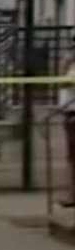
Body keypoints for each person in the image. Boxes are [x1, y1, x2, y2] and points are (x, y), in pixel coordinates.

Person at [58, 45, 75, 208]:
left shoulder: (71, 69)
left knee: (72, 158)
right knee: (71, 158)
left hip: (73, 113)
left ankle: (71, 195)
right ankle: (71, 194)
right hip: (69, 113)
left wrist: (65, 65)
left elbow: (64, 84)